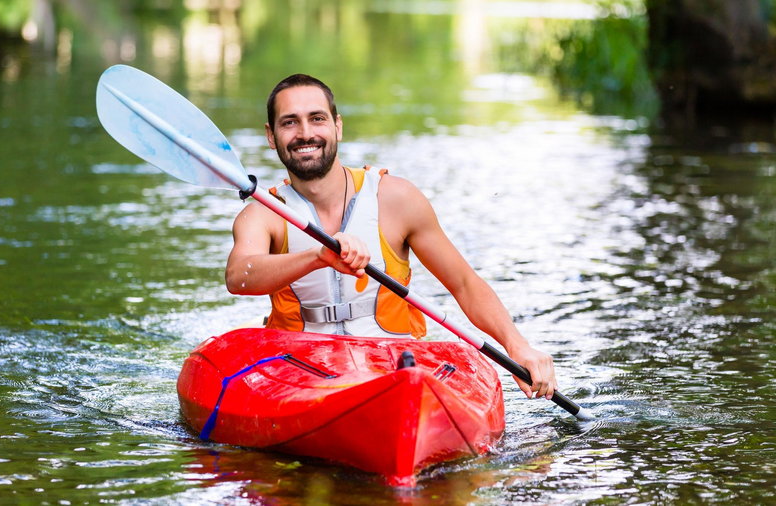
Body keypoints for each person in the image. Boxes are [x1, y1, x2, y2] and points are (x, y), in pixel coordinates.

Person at [225, 74, 558, 400]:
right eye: (290, 123)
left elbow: (464, 284)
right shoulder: (264, 213)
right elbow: (239, 277)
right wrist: (316, 257)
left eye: (317, 118)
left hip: (393, 365)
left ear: (337, 126)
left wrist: (517, 346)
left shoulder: (396, 199)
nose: (306, 133)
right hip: (300, 369)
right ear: (271, 135)